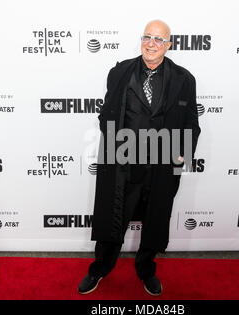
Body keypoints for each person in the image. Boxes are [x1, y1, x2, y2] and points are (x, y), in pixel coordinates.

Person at [78, 19, 201, 296]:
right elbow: (105, 113)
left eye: (159, 39)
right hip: (123, 163)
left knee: (155, 221)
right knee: (112, 221)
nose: (151, 44)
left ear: (169, 45)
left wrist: (183, 151)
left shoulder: (185, 79)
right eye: (147, 37)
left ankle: (146, 271)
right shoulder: (120, 72)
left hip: (161, 165)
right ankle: (98, 269)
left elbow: (192, 122)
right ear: (141, 40)